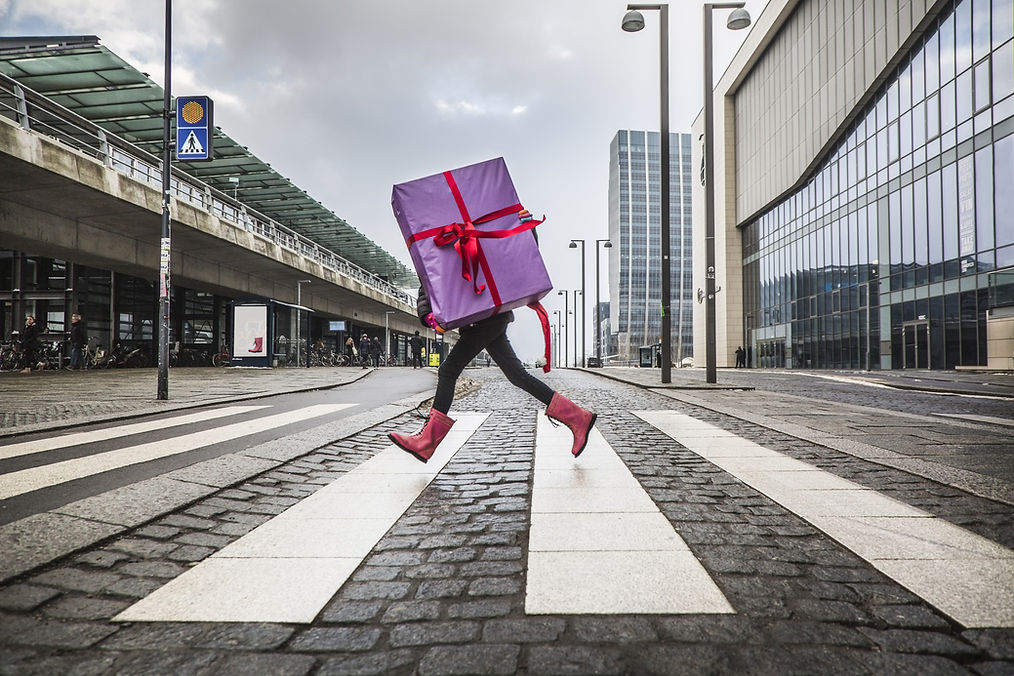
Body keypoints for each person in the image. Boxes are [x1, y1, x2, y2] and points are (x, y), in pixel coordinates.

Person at [389, 287, 596, 463]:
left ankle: (427, 442)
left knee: (448, 370)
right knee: (517, 376)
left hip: (484, 313)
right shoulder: (433, 242)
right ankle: (579, 418)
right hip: (484, 315)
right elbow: (428, 278)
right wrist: (426, 314)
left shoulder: (473, 237)